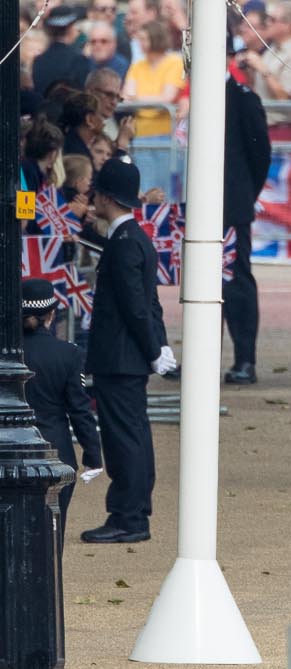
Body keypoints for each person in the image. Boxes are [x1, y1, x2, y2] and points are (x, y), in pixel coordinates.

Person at [80, 157, 172, 544]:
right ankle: (133, 511)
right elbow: (149, 304)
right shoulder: (134, 238)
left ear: (105, 197)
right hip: (129, 355)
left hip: (119, 357)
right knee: (134, 434)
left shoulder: (124, 243)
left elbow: (136, 306)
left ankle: (127, 515)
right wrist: (159, 345)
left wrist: (154, 348)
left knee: (123, 439)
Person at [20, 278, 100, 544]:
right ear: (51, 314)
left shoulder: (9, 351)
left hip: (10, 449)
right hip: (55, 449)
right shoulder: (68, 353)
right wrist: (92, 452)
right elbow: (79, 409)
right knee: (52, 534)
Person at [220, 65, 272, 384]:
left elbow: (260, 155)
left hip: (233, 207)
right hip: (207, 204)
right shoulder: (207, 95)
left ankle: (245, 359)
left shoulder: (243, 98)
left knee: (237, 282)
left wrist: (244, 196)